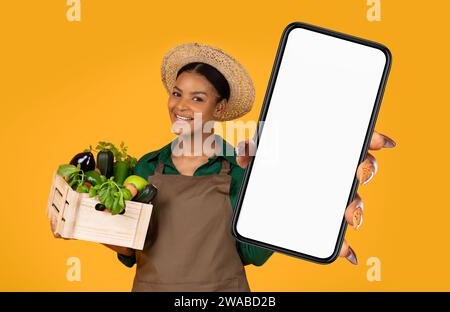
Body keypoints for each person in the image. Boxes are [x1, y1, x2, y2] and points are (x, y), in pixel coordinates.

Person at [51, 42, 397, 291]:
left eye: (197, 98)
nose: (181, 106)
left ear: (220, 107)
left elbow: (251, 253)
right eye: (177, 93)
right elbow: (130, 248)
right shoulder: (148, 166)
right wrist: (86, 222)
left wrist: (302, 199)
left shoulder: (241, 168)